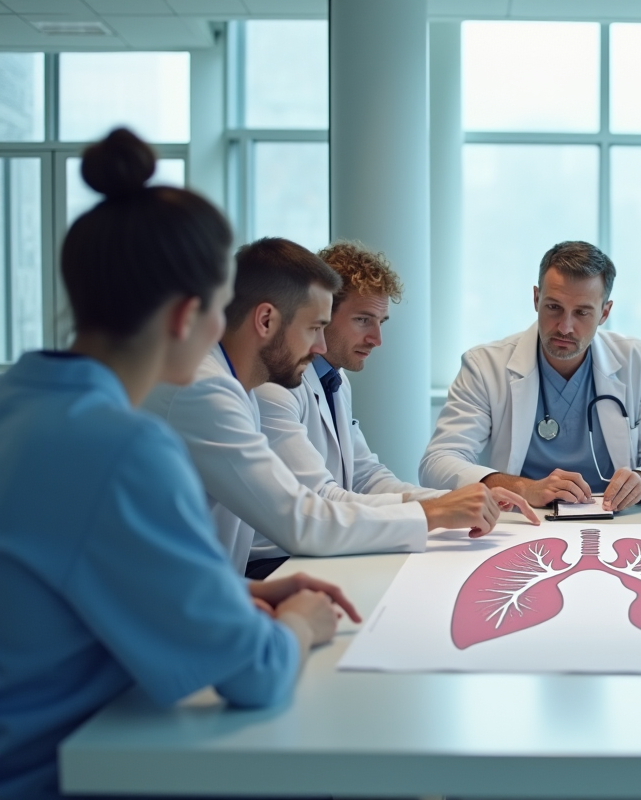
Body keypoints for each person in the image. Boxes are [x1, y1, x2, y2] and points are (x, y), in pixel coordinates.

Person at [0, 129, 356, 800]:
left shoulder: (20, 402)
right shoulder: (123, 447)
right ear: (189, 315)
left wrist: (228, 595)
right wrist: (302, 623)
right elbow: (254, 673)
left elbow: (63, 588)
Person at [145, 238, 529, 578]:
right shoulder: (210, 390)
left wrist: (445, 504)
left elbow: (361, 476)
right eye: (315, 327)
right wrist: (435, 511)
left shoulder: (236, 382)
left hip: (219, 585)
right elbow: (301, 516)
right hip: (204, 592)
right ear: (265, 320)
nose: (320, 347)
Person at [256, 241, 538, 532]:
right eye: (362, 320)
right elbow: (320, 499)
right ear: (323, 314)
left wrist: (457, 500)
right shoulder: (276, 386)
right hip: (279, 553)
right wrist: (435, 510)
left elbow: (366, 477)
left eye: (381, 322)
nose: (377, 339)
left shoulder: (335, 381)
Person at [420, 241, 641, 512]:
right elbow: (438, 462)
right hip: (521, 518)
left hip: (614, 517)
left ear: (604, 313)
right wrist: (524, 488)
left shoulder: (636, 361)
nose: (565, 327)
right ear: (536, 299)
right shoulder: (484, 366)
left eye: (582, 312)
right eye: (553, 307)